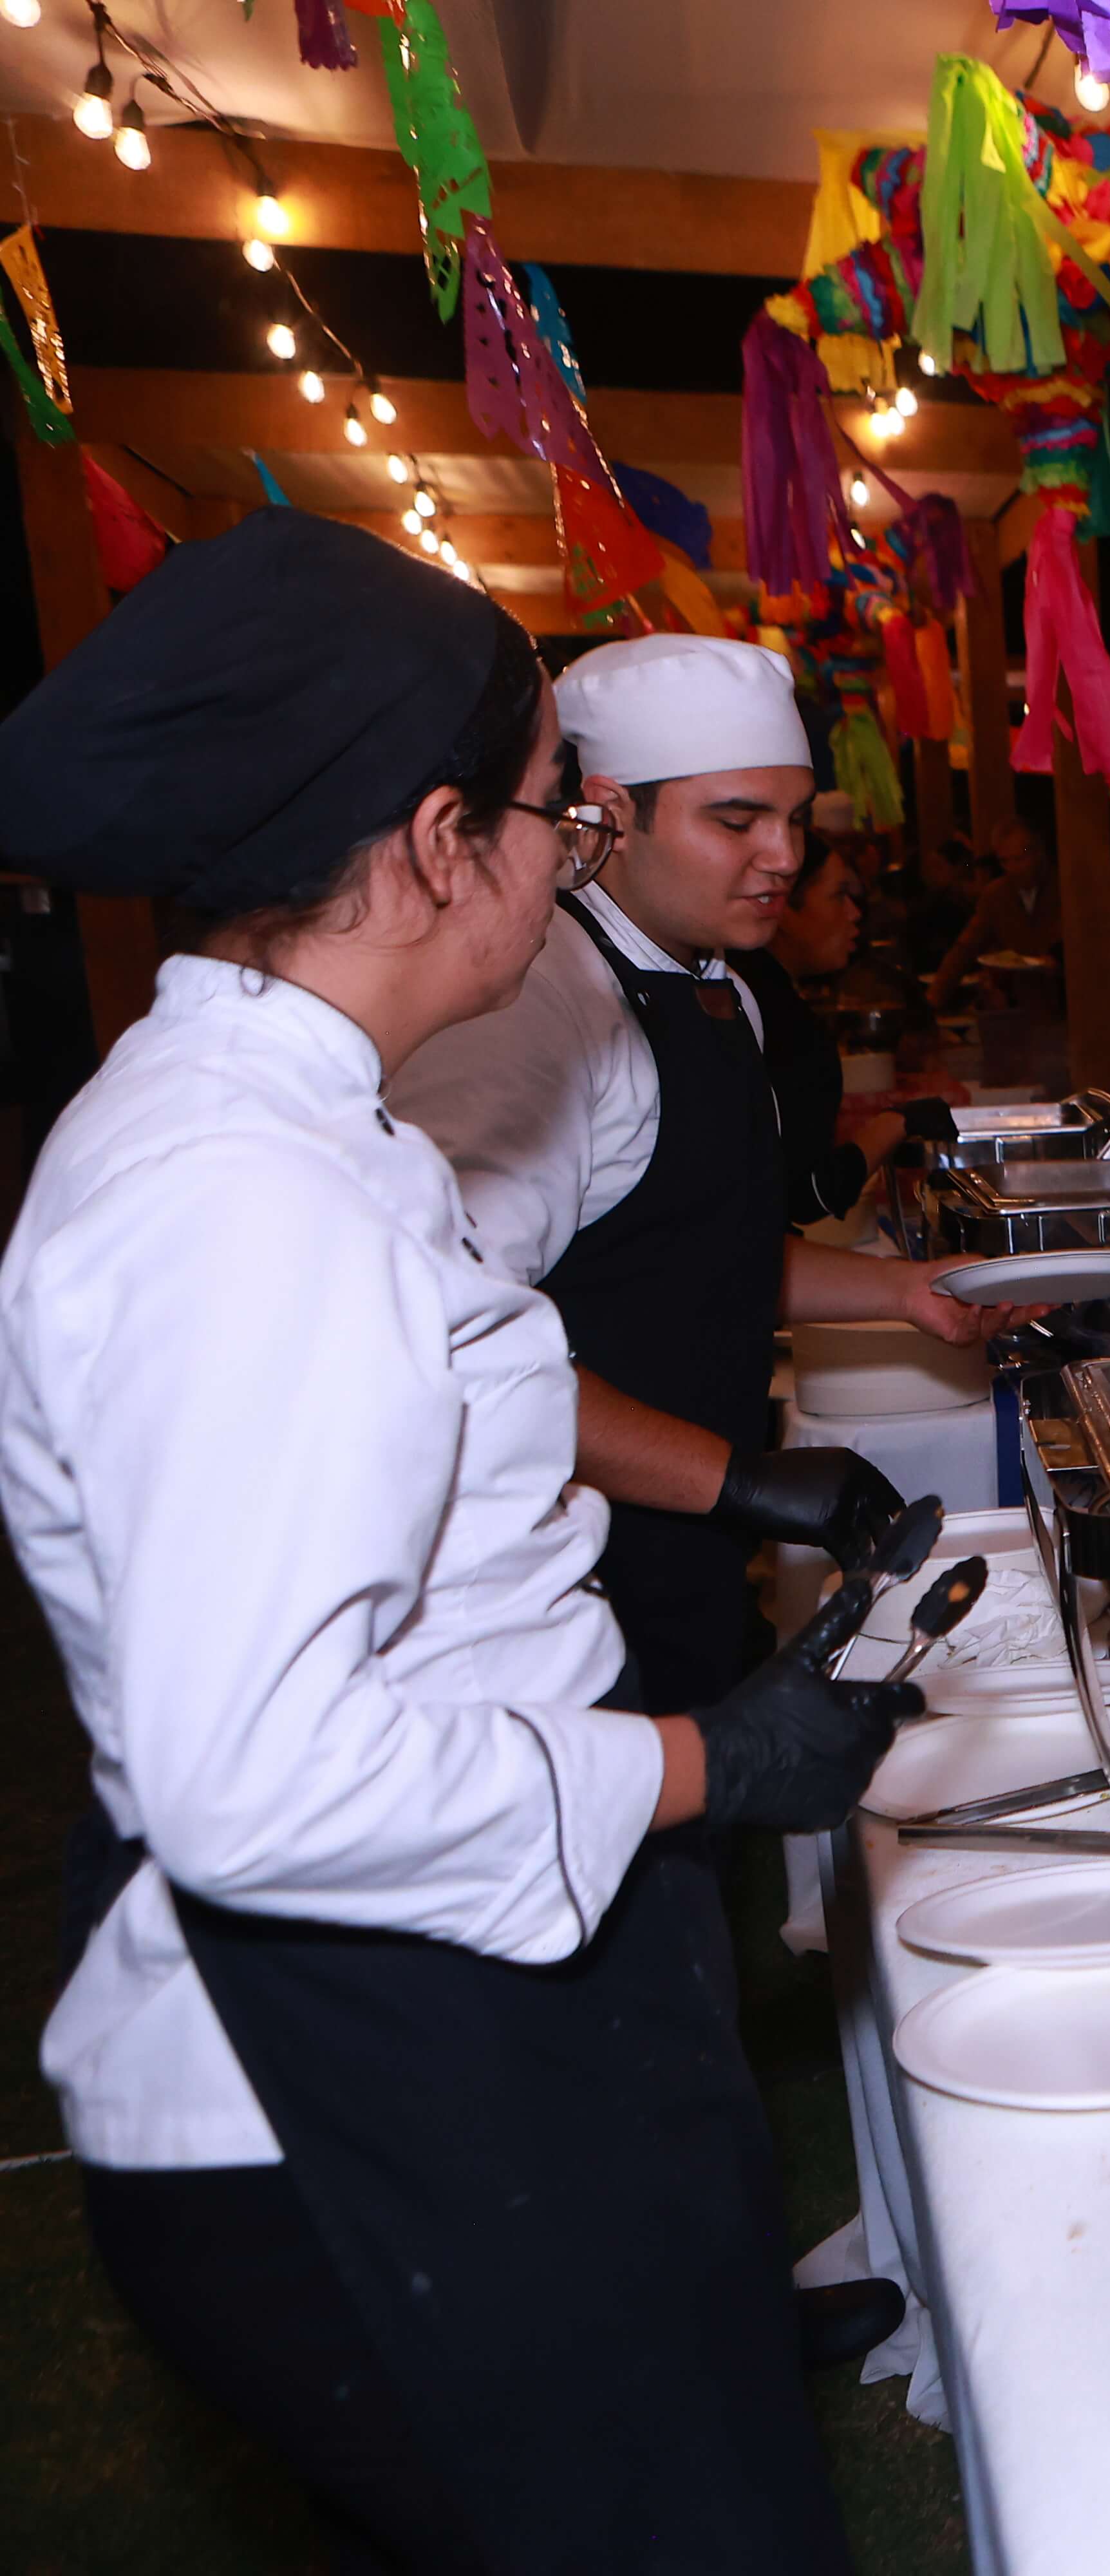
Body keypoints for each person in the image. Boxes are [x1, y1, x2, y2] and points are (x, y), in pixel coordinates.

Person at [0, 512, 916, 2569]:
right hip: (362, 2073)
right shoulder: (241, 1201)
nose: (566, 855)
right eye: (551, 813)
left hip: (459, 2000)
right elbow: (259, 1778)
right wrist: (705, 1761)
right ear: (437, 845)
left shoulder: (305, 1121)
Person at [392, 634, 1012, 1714]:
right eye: (736, 821)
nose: (783, 856)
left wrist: (905, 1291)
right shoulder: (535, 1010)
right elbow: (463, 1352)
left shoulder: (721, 981)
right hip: (572, 1581)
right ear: (607, 814)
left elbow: (700, 1250)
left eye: (795, 819)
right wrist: (743, 1480)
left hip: (691, 1548)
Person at [737, 838, 878, 1226]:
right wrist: (897, 1124)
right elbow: (806, 1192)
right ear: (781, 907)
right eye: (838, 896)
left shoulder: (753, 987)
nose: (854, 914)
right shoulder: (774, 1014)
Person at [926, 815, 1064, 1005]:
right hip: (1022, 1004)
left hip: (1072, 1002)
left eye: (1020, 859)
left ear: (1039, 853)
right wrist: (934, 998)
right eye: (1005, 861)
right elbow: (965, 950)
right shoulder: (997, 895)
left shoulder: (1065, 888)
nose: (1013, 868)